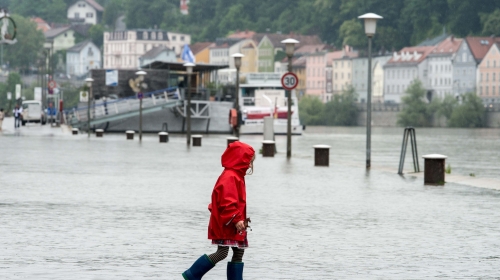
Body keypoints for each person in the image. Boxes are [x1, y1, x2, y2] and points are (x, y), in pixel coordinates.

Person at [182, 141, 255, 280]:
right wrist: (236, 218)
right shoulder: (230, 176)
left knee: (238, 252)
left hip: (231, 221)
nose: (250, 165)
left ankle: (193, 275)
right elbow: (227, 202)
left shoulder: (235, 176)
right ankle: (192, 275)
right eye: (249, 161)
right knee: (222, 252)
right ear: (240, 160)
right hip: (228, 222)